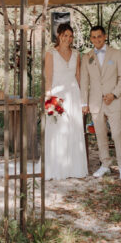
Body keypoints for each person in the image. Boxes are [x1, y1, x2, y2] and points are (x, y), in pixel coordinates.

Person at [81, 26, 121, 179]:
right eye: (93, 37)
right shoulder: (86, 57)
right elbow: (84, 82)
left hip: (113, 101)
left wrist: (114, 94)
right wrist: (84, 103)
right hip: (95, 102)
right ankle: (105, 165)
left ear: (105, 36)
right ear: (90, 39)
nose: (97, 39)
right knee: (100, 135)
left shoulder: (116, 54)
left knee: (116, 134)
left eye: (99, 36)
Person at [43, 23, 88, 180]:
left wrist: (83, 100)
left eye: (70, 36)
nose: (68, 39)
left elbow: (78, 76)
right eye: (65, 35)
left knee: (73, 128)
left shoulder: (76, 54)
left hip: (73, 93)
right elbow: (48, 78)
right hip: (57, 93)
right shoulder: (50, 53)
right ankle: (56, 168)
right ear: (59, 35)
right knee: (57, 128)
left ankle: (73, 168)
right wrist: (48, 98)